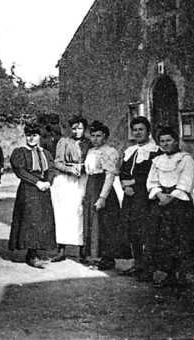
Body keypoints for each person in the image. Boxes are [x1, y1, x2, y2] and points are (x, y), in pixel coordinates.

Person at [145, 127, 194, 288]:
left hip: (179, 204)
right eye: (163, 141)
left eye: (169, 140)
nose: (166, 144)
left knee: (181, 239)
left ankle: (182, 275)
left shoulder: (186, 159)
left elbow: (186, 181)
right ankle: (169, 274)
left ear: (176, 141)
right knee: (163, 240)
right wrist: (159, 195)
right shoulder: (157, 161)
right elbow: (151, 181)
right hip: (161, 202)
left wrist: (171, 196)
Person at [8, 124, 57, 269]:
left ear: (39, 136)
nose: (31, 138)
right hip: (28, 190)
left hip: (43, 191)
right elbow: (20, 171)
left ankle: (37, 250)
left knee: (42, 220)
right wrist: (37, 182)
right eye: (28, 134)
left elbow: (51, 169)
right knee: (30, 220)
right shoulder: (20, 152)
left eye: (34, 135)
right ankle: (31, 255)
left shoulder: (45, 153)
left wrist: (48, 181)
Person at [119, 116, 161, 281]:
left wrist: (134, 183)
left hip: (146, 196)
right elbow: (123, 171)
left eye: (141, 129)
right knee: (132, 230)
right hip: (130, 196)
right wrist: (125, 185)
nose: (137, 133)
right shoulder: (130, 151)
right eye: (135, 130)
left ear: (148, 131)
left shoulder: (155, 151)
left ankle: (148, 268)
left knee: (146, 231)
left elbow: (152, 173)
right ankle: (137, 264)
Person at [81, 121, 127, 270]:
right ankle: (94, 256)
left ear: (105, 137)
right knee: (93, 223)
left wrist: (102, 197)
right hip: (91, 187)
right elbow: (88, 174)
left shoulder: (110, 152)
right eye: (93, 136)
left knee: (105, 224)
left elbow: (110, 176)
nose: (95, 139)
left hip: (102, 188)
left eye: (98, 136)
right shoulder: (90, 151)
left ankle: (107, 258)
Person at [50, 116, 90, 262]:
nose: (76, 131)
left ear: (84, 129)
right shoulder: (64, 142)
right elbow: (57, 163)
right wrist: (69, 169)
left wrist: (83, 168)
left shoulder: (89, 143)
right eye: (74, 128)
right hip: (66, 180)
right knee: (63, 214)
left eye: (79, 128)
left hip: (82, 180)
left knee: (80, 213)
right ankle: (61, 250)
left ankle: (82, 251)